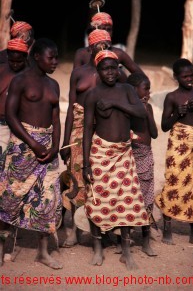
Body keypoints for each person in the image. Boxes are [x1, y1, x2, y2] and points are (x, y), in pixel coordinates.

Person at [83, 49, 149, 270]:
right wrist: (85, 164)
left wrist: (116, 105)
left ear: (119, 69)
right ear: (98, 71)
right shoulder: (92, 95)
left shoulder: (127, 90)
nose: (110, 73)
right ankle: (98, 248)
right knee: (97, 198)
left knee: (127, 199)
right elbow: (86, 132)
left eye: (114, 68)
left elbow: (141, 112)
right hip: (101, 152)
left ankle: (127, 251)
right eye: (105, 69)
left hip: (123, 153)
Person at [60, 29, 127, 247]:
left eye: (108, 44)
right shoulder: (79, 73)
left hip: (104, 131)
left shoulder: (111, 72)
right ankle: (73, 230)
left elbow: (130, 87)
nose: (104, 48)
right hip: (79, 131)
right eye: (100, 44)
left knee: (102, 179)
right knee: (77, 180)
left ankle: (105, 227)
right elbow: (71, 108)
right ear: (90, 47)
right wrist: (65, 141)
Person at [0, 38, 63, 269]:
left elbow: (56, 119)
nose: (55, 62)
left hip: (47, 149)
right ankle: (2, 248)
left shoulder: (54, 85)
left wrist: (55, 146)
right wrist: (32, 143)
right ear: (36, 57)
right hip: (22, 148)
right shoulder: (20, 81)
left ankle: (43, 252)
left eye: (56, 57)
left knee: (46, 202)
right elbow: (11, 116)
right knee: (10, 199)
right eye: (51, 57)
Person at [155, 58, 193, 245]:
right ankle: (167, 229)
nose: (189, 79)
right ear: (176, 77)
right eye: (184, 76)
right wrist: (178, 114)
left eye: (191, 75)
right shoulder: (172, 97)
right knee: (174, 181)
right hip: (178, 146)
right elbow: (165, 126)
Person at [127, 72, 158, 256]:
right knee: (129, 195)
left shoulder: (149, 108)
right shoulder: (126, 108)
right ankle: (124, 237)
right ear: (133, 89)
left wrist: (147, 112)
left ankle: (146, 241)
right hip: (128, 155)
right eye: (145, 88)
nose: (148, 92)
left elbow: (153, 133)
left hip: (144, 155)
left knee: (146, 196)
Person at [73, 11, 144, 75]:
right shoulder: (82, 54)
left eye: (109, 29)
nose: (106, 32)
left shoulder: (119, 53)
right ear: (94, 30)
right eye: (103, 29)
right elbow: (75, 81)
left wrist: (127, 88)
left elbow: (141, 77)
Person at [0, 38, 28, 163]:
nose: (15, 64)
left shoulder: (30, 73)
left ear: (26, 57)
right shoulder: (2, 71)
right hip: (2, 124)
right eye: (12, 61)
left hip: (23, 125)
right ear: (7, 56)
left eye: (19, 61)